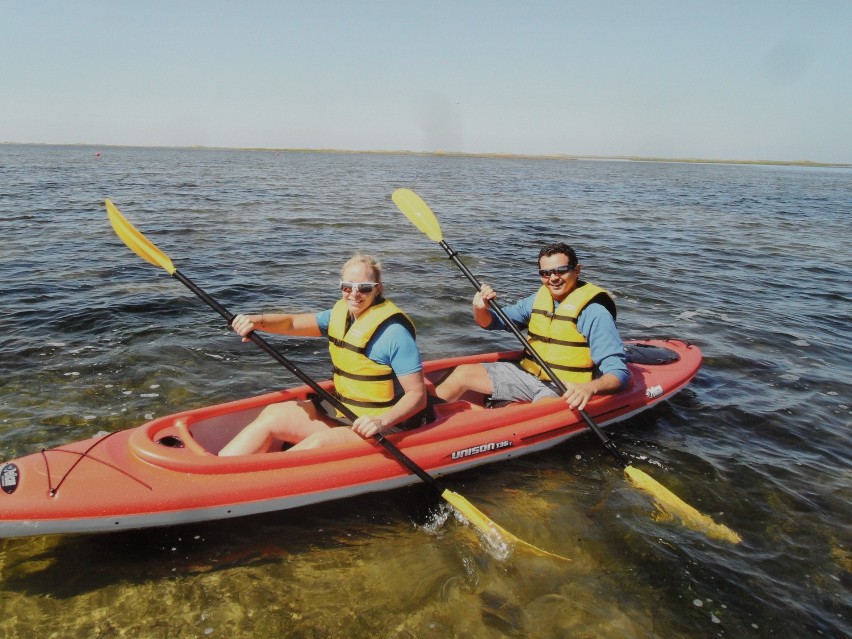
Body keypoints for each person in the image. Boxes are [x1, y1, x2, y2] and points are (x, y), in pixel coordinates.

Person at [219, 253, 432, 456]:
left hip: (384, 423)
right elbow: (292, 324)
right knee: (274, 414)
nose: (355, 294)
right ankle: (220, 470)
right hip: (345, 408)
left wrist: (382, 421)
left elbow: (417, 396)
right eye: (347, 286)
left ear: (378, 289)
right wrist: (256, 321)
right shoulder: (338, 315)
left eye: (364, 288)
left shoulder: (395, 333)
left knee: (317, 445)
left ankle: (254, 485)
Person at [435, 242, 629, 411]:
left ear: (577, 270)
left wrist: (589, 388)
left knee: (537, 412)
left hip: (564, 388)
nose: (553, 278)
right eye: (545, 273)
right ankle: (422, 421)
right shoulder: (536, 300)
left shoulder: (594, 312)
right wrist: (480, 309)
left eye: (561, 270)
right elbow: (493, 322)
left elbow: (618, 373)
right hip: (527, 375)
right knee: (462, 373)